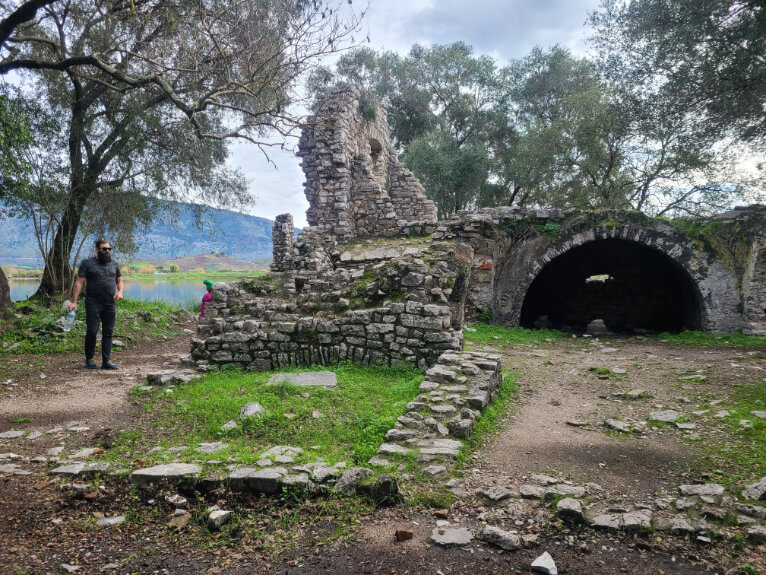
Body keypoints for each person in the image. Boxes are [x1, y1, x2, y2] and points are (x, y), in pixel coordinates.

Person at [68, 239, 124, 369]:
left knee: (108, 333)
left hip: (110, 303)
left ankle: (106, 361)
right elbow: (79, 283)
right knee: (92, 331)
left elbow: (119, 281)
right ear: (97, 249)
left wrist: (120, 292)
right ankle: (89, 359)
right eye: (104, 249)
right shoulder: (87, 263)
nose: (107, 251)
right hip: (93, 302)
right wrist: (74, 302)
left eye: (109, 249)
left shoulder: (114, 264)